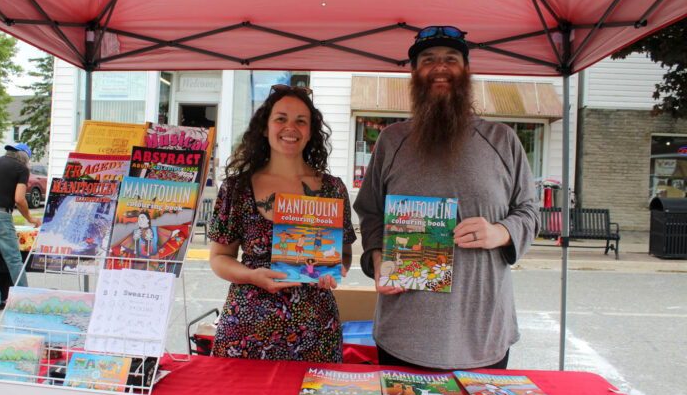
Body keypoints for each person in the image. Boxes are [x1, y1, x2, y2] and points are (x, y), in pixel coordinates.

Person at [354, 25, 540, 370]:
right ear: (414, 73)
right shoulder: (392, 141)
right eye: (428, 60)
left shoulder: (502, 140)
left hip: (483, 333)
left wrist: (501, 231)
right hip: (404, 333)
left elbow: (529, 210)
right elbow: (369, 211)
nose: (439, 67)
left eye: (451, 59)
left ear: (466, 70)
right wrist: (377, 256)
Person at [208, 84, 356, 362]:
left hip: (315, 332)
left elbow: (344, 254)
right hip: (246, 332)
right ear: (265, 128)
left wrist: (334, 270)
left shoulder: (333, 189)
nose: (291, 127)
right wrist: (252, 276)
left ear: (310, 132)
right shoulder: (237, 188)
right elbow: (218, 258)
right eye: (281, 118)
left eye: (301, 121)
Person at [0, 143, 42, 313]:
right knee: (13, 259)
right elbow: (19, 199)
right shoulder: (21, 169)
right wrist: (30, 218)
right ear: (25, 158)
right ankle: (23, 301)